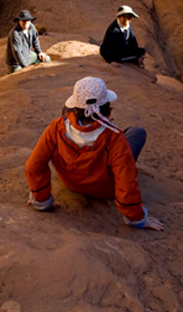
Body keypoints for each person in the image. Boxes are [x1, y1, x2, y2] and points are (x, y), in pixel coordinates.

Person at [25, 76, 163, 230]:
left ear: (75, 109)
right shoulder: (114, 137)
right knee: (137, 133)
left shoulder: (56, 127)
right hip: (106, 189)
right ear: (109, 110)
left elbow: (34, 165)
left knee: (66, 118)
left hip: (71, 182)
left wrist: (41, 200)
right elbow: (126, 181)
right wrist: (136, 218)